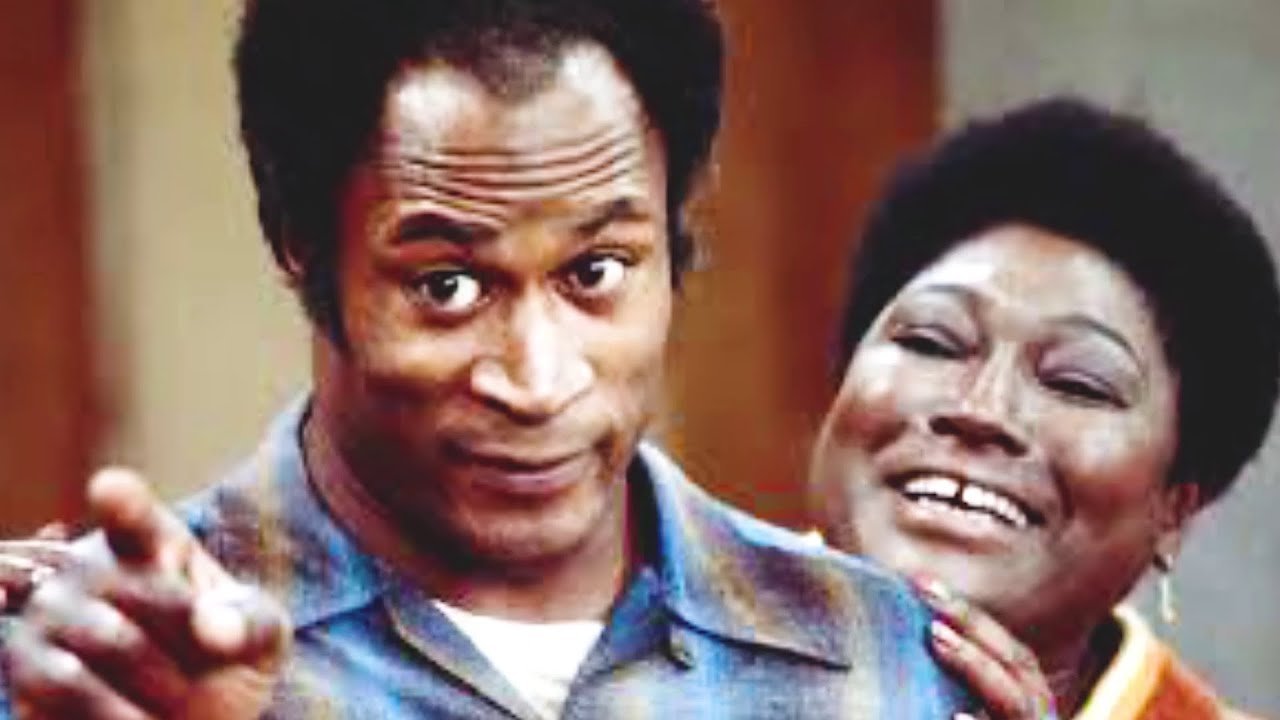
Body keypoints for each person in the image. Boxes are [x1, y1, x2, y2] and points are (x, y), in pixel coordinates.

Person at [0, 0, 970, 717]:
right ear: (300, 245)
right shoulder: (96, 668)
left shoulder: (883, 660)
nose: (537, 381)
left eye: (595, 271)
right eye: (447, 286)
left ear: (675, 236)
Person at [809, 97, 1279, 719]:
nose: (980, 409)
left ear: (1175, 509)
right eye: (931, 341)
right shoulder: (676, 631)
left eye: (1078, 384)